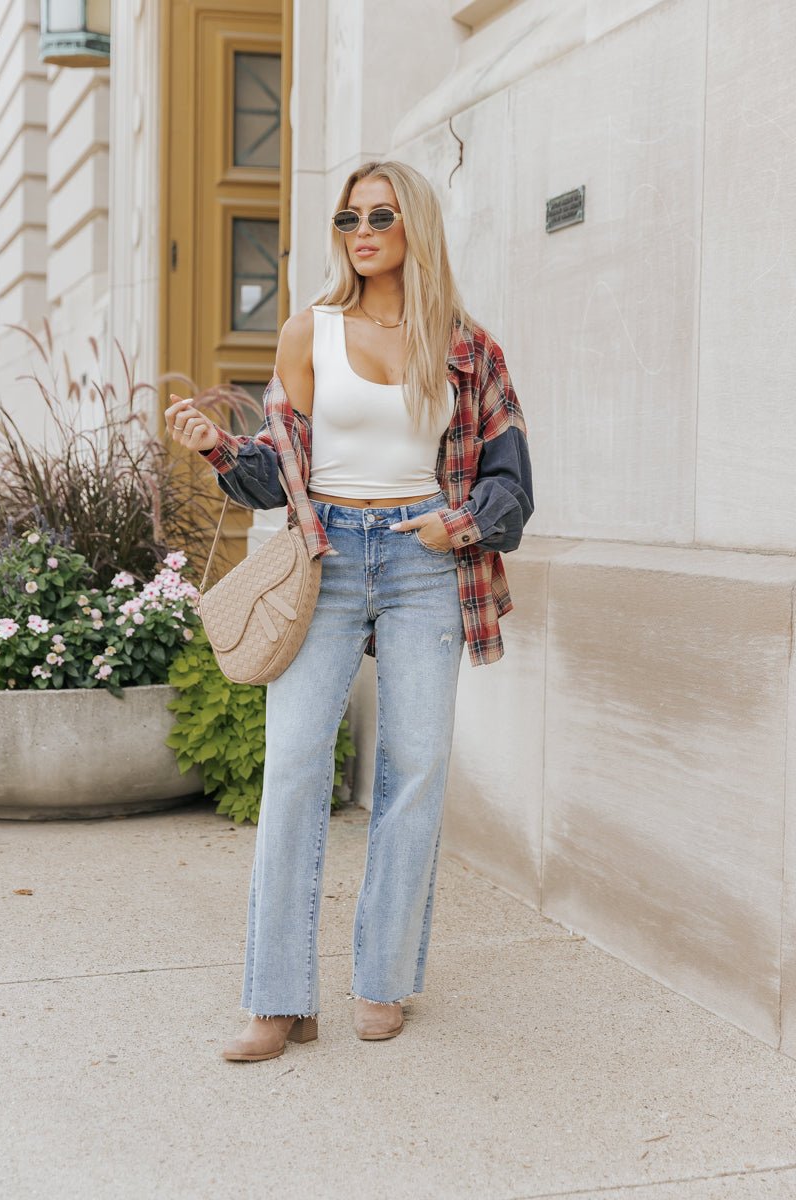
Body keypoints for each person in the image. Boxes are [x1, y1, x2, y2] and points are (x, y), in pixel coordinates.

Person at [165, 159, 534, 1063]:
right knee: (292, 769)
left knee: (415, 770)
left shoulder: (466, 347)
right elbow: (276, 469)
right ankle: (278, 998)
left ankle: (382, 980)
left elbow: (512, 489)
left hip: (422, 564)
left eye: (379, 215)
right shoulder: (309, 333)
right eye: (346, 218)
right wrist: (220, 450)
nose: (360, 231)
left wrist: (458, 525)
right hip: (325, 560)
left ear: (415, 226)